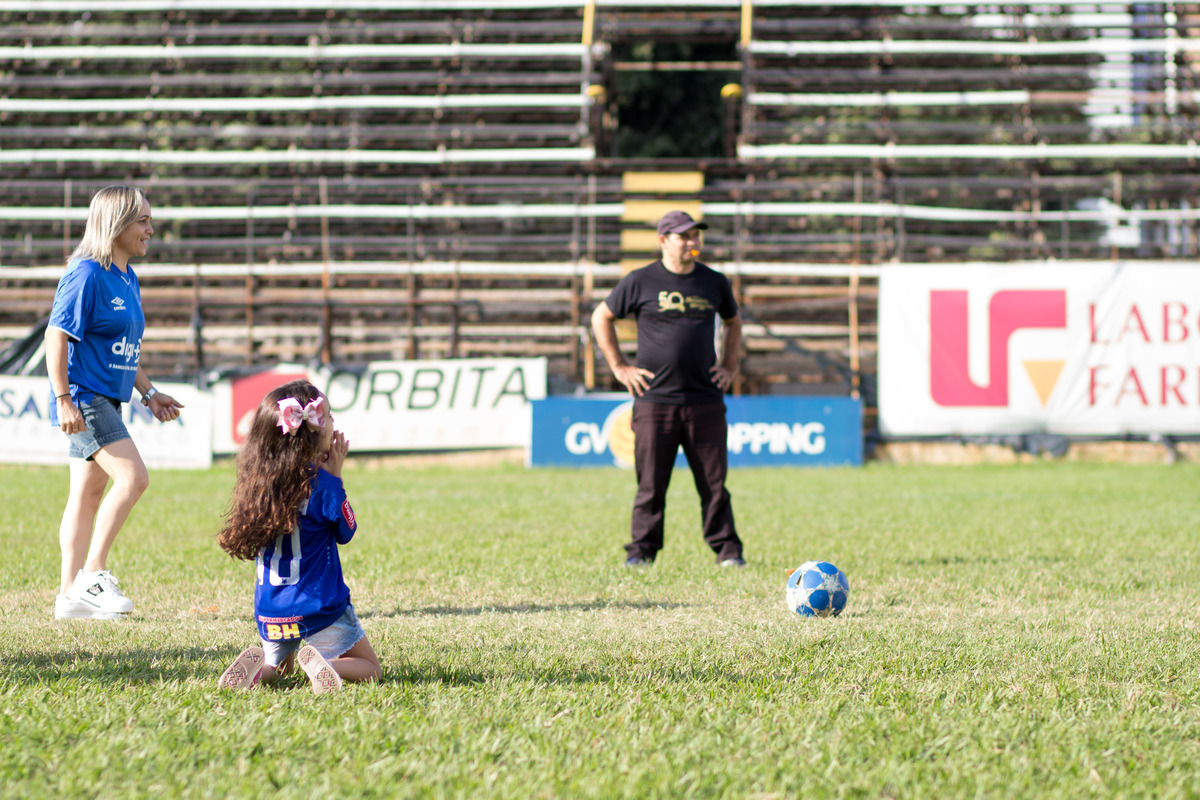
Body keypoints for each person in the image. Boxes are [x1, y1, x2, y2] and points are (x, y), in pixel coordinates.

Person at [47, 185, 185, 620]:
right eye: (142, 220)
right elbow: (56, 336)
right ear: (116, 224)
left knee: (87, 494)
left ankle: (69, 597)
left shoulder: (127, 276)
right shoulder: (85, 273)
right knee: (133, 479)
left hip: (107, 397)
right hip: (85, 398)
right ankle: (92, 574)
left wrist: (149, 393)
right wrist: (63, 399)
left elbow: (124, 349)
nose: (150, 229)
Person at [591, 210, 746, 568]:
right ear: (663, 240)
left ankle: (728, 552)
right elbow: (601, 317)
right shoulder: (640, 280)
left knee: (714, 484)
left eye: (696, 235)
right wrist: (619, 367)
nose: (692, 242)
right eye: (683, 236)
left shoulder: (714, 282)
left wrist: (728, 366)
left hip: (704, 400)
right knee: (650, 484)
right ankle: (641, 552)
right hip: (655, 400)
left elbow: (734, 322)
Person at [216, 379, 381, 694]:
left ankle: (259, 671)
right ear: (313, 432)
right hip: (318, 608)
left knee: (280, 670)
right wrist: (335, 477)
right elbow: (347, 531)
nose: (333, 423)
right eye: (328, 417)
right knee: (371, 668)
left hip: (271, 612)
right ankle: (327, 665)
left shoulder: (259, 488)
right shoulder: (323, 486)